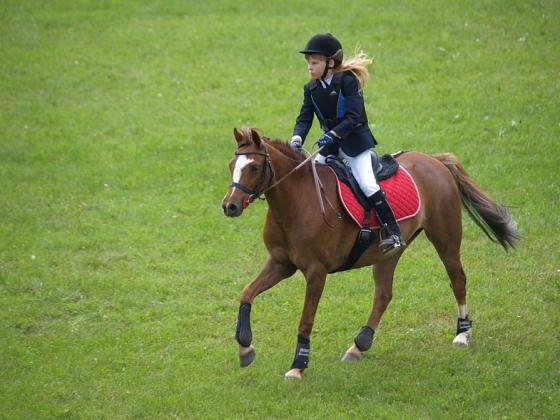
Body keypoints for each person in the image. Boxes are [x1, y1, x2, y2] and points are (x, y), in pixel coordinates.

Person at [291, 33, 405, 251]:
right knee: (313, 181)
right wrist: (297, 138)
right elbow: (304, 118)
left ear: (330, 63)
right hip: (330, 145)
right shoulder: (311, 89)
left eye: (315, 63)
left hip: (355, 144)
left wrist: (332, 134)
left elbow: (353, 117)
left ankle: (394, 232)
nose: (310, 67)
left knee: (367, 184)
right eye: (308, 63)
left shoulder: (349, 82)